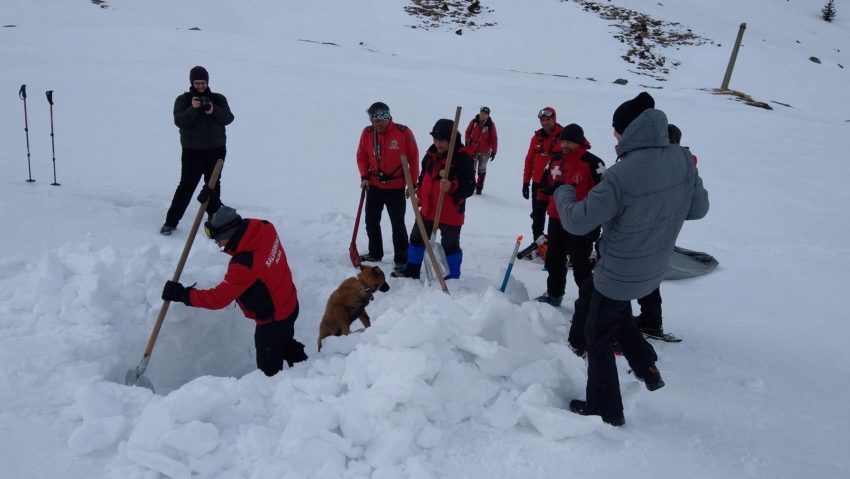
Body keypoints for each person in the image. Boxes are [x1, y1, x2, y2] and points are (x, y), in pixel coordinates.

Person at [554, 91, 709, 426]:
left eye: (617, 132)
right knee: (605, 305)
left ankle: (605, 409)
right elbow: (699, 208)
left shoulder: (620, 176)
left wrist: (563, 192)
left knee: (598, 334)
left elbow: (578, 221)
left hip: (620, 270)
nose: (615, 138)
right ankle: (647, 367)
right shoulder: (681, 159)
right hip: (652, 268)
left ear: (631, 131)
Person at [161, 205, 308, 377]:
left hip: (273, 320)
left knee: (268, 371)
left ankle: (279, 393)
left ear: (228, 235)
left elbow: (218, 299)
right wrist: (210, 199)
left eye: (218, 240)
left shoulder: (245, 264)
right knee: (283, 341)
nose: (217, 244)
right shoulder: (264, 227)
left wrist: (183, 295)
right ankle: (307, 370)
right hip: (289, 301)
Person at [633, 123, 698, 339]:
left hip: (652, 227)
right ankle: (650, 319)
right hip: (661, 226)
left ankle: (649, 321)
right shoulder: (683, 163)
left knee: (642, 272)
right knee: (648, 273)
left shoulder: (674, 164)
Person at [392, 119, 475, 280]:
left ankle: (451, 278)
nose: (437, 144)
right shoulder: (430, 155)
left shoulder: (463, 158)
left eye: (441, 141)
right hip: (429, 209)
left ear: (452, 140)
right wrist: (420, 197)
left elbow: (470, 186)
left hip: (451, 212)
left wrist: (451, 186)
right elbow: (425, 178)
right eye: (435, 140)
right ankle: (412, 269)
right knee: (416, 238)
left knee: (449, 246)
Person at [535, 124, 605, 307]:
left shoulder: (593, 163)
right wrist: (538, 215)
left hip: (581, 222)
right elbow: (543, 189)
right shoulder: (555, 161)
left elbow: (604, 198)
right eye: (563, 141)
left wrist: (595, 227)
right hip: (556, 219)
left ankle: (589, 303)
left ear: (579, 142)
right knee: (554, 260)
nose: (565, 145)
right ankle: (554, 295)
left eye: (569, 142)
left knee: (581, 265)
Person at [161, 66, 235, 235]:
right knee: (186, 186)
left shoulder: (217, 99)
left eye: (203, 82)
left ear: (207, 82)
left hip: (216, 150)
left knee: (213, 186)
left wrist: (212, 110)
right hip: (192, 151)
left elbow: (229, 118)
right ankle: (170, 222)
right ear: (191, 82)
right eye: (197, 83)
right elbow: (180, 121)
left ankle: (215, 220)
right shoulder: (183, 100)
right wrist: (193, 109)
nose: (200, 86)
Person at [356, 102, 420, 272]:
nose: (376, 125)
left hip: (396, 188)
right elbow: (361, 156)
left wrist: (412, 184)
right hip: (374, 186)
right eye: (373, 121)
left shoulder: (403, 132)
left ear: (387, 117)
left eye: (379, 121)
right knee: (371, 221)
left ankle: (401, 258)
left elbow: (413, 160)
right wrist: (364, 176)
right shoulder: (368, 133)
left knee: (397, 224)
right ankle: (375, 253)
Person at [521, 107, 563, 251]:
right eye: (542, 120)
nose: (545, 123)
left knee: (556, 217)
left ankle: (557, 246)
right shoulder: (536, 138)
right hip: (538, 184)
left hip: (557, 185)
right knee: (537, 216)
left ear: (554, 119)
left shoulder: (564, 136)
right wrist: (526, 182)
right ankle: (538, 245)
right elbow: (529, 160)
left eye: (548, 120)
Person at [464, 106, 498, 195]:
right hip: (473, 150)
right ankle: (472, 186)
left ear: (488, 116)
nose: (482, 115)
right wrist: (467, 142)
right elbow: (467, 132)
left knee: (482, 170)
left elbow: (494, 138)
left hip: (485, 152)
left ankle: (479, 188)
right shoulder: (474, 122)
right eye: (482, 113)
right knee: (472, 169)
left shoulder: (491, 125)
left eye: (485, 114)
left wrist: (494, 151)